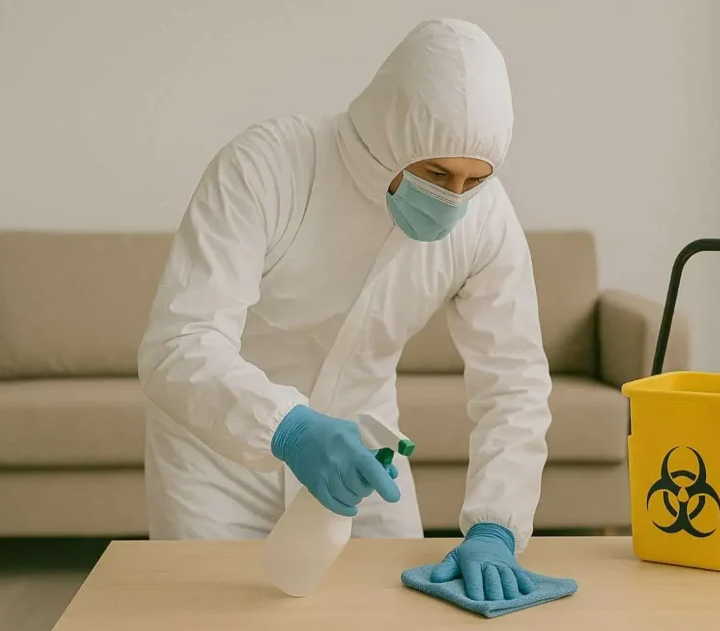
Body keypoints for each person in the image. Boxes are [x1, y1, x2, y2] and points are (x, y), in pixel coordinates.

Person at [136, 18, 552, 601]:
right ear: (387, 134)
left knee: (388, 629)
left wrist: (496, 525)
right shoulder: (268, 167)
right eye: (435, 173)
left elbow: (514, 380)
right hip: (219, 461)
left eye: (472, 180)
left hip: (365, 459)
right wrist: (289, 428)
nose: (453, 199)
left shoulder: (486, 218)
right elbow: (178, 345)